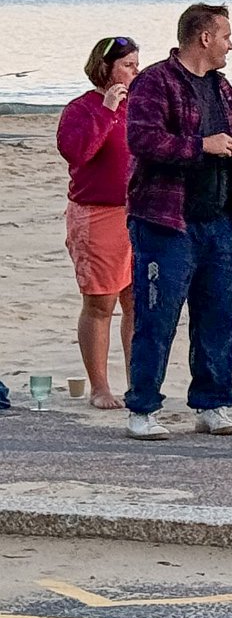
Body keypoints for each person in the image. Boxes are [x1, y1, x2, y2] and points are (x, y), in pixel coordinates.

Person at [123, 5, 232, 440]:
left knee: (221, 315)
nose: (230, 45)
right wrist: (201, 146)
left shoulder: (223, 88)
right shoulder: (154, 81)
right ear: (204, 38)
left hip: (219, 217)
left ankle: (213, 403)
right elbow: (142, 140)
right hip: (166, 220)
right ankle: (143, 409)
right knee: (157, 316)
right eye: (225, 36)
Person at [57, 35, 141, 410]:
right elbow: (76, 153)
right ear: (106, 68)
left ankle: (138, 383)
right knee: (100, 302)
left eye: (137, 65)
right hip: (97, 212)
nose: (134, 72)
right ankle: (99, 387)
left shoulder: (139, 106)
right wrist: (107, 111)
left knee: (138, 302)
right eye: (127, 65)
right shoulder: (81, 108)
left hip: (140, 212)